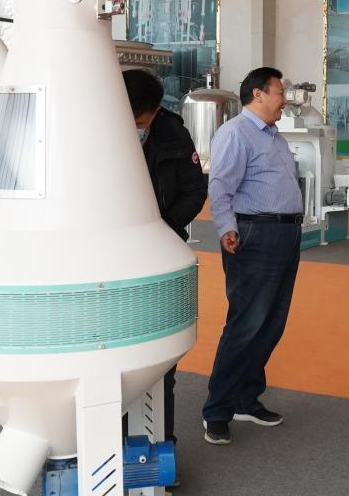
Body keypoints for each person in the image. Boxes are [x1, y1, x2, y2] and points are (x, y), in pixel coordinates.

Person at [201, 67, 303, 446]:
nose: (285, 99)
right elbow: (220, 186)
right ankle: (217, 410)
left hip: (286, 234)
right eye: (280, 92)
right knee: (246, 323)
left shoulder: (274, 136)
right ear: (258, 94)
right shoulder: (235, 133)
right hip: (254, 235)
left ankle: (246, 398)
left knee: (272, 323)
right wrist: (226, 227)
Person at [122, 69, 208, 456]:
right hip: (108, 260)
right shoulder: (92, 127)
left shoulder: (173, 133)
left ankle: (159, 447)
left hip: (158, 256)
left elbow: (195, 189)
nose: (134, 126)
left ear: (155, 111)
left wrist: (162, 230)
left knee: (159, 361)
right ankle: (104, 444)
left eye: (140, 120)